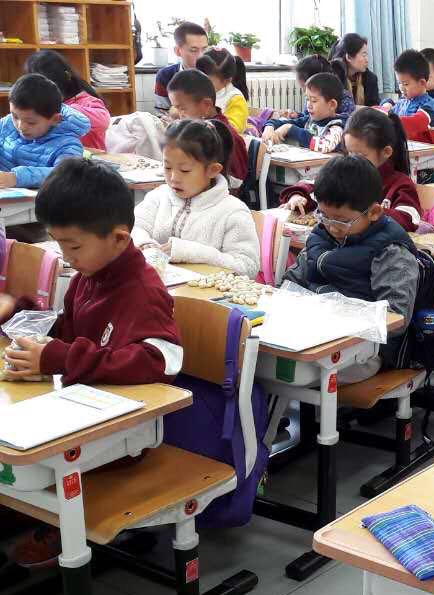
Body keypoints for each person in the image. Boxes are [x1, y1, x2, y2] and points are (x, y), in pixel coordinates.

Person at [6, 159, 183, 566]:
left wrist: (58, 357)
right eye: (58, 244)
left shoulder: (142, 290)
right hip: (82, 410)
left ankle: (58, 525)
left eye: (73, 246)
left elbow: (159, 361)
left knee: (27, 458)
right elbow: (70, 334)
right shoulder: (88, 275)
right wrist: (29, 329)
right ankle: (24, 508)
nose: (65, 256)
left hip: (123, 434)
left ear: (119, 238)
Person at [282, 155, 418, 383]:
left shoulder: (390, 250)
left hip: (364, 351)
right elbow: (291, 283)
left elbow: (396, 317)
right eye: (324, 216)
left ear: (374, 212)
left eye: (342, 221)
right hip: (314, 335)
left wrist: (331, 309)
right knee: (257, 356)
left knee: (291, 371)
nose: (332, 227)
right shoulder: (322, 235)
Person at [132, 119, 259, 276]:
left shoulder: (233, 212)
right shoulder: (159, 196)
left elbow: (248, 267)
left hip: (203, 290)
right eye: (167, 167)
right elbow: (134, 226)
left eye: (185, 170)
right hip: (159, 284)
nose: (174, 178)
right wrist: (145, 243)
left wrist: (189, 252)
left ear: (213, 170)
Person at [282, 108, 424, 232]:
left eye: (361, 155)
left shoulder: (400, 185)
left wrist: (364, 214)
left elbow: (409, 220)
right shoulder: (344, 173)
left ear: (386, 152)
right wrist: (297, 196)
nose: (353, 160)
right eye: (349, 153)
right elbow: (314, 186)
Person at [0, 74, 88, 189]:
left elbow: (67, 174)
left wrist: (16, 178)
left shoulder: (67, 144)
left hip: (38, 198)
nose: (21, 126)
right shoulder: (7, 124)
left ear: (55, 119)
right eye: (15, 116)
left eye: (31, 122)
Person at [165, 69, 248, 184]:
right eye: (177, 108)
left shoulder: (217, 135)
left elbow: (233, 182)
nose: (180, 115)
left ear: (206, 105)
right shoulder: (203, 129)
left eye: (182, 109)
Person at [23, 50, 108, 151]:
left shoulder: (86, 101)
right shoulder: (38, 108)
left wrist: (63, 109)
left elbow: (103, 122)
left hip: (88, 158)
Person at [261, 72, 349, 154]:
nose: (308, 105)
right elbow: (280, 123)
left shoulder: (338, 127)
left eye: (314, 101)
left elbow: (323, 146)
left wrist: (289, 128)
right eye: (307, 99)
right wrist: (269, 127)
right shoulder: (308, 120)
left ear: (332, 104)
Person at [379, 49, 434, 143]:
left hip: (427, 151)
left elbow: (415, 123)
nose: (401, 88)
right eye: (399, 83)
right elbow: (388, 108)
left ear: (422, 83)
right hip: (408, 149)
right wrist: (385, 106)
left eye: (405, 84)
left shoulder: (430, 105)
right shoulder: (403, 102)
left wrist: (388, 120)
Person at [154, 21, 208, 112]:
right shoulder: (165, 75)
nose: (201, 56)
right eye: (193, 50)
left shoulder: (215, 74)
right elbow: (162, 113)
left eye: (204, 49)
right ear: (178, 51)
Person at [194, 48, 249, 133]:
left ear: (227, 80)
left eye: (206, 80)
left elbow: (232, 130)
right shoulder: (202, 93)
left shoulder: (235, 98)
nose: (200, 83)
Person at [330, 33, 379, 107]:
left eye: (366, 55)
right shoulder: (333, 78)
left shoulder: (370, 78)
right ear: (349, 57)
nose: (367, 60)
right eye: (364, 55)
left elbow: (374, 107)